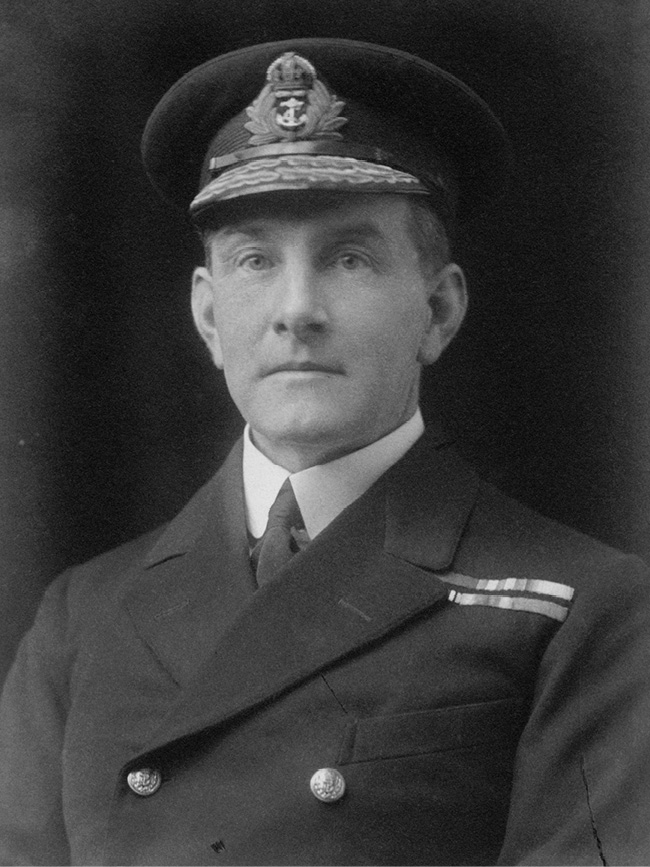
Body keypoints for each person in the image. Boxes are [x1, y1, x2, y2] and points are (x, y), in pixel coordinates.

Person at [1, 36, 649, 867]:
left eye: (349, 258)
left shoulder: (583, 611)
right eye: (255, 260)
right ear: (208, 317)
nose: (296, 308)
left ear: (440, 311)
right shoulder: (79, 621)